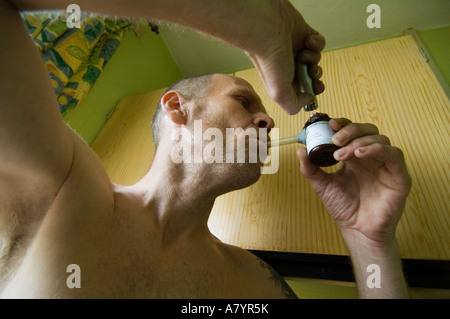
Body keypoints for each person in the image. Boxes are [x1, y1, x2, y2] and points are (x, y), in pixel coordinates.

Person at [0, 0, 411, 298]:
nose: (267, 123)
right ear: (178, 108)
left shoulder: (252, 283)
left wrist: (369, 242)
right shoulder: (63, 188)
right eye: (244, 101)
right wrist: (258, 16)